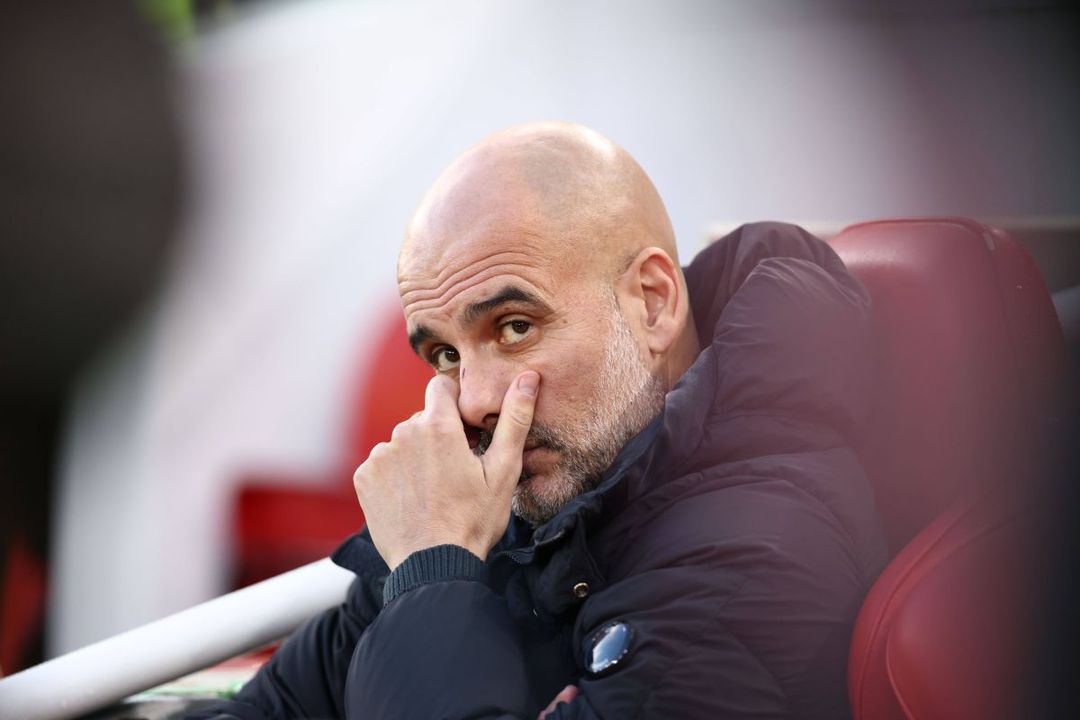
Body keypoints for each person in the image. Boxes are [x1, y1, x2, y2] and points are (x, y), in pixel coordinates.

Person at [195, 122, 887, 719]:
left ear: (652, 303)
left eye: (515, 327)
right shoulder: (517, 513)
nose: (473, 403)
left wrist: (434, 577)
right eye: (445, 355)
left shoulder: (754, 558)